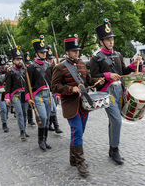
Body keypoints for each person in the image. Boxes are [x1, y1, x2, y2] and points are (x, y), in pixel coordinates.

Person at [90, 18, 141, 165]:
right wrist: (107, 75)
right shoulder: (95, 58)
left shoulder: (118, 55)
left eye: (112, 38)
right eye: (107, 39)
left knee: (114, 121)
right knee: (117, 120)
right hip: (108, 92)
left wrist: (133, 65)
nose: (111, 41)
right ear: (101, 42)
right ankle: (115, 149)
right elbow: (92, 78)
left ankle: (112, 150)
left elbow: (123, 71)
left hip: (120, 90)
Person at [52, 34, 103, 176]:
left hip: (83, 104)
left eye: (78, 50)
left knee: (78, 132)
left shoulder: (81, 63)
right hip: (70, 104)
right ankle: (81, 162)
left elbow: (87, 80)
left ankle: (73, 158)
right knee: (77, 131)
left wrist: (97, 81)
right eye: (74, 51)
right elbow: (54, 87)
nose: (77, 53)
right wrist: (70, 89)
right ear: (67, 52)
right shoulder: (60, 67)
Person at [26, 35, 54, 151]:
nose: (44, 54)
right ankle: (40, 140)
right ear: (36, 54)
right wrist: (28, 97)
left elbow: (53, 82)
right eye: (41, 52)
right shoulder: (31, 67)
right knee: (42, 116)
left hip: (48, 95)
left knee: (47, 118)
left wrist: (56, 94)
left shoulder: (49, 66)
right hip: (38, 96)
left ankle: (45, 140)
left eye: (45, 52)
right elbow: (27, 85)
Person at [5, 48, 29, 139]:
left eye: (20, 59)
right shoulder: (10, 72)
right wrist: (7, 97)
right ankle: (22, 131)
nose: (19, 61)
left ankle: (25, 129)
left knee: (25, 113)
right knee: (19, 113)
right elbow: (8, 86)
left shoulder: (25, 70)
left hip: (24, 94)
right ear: (13, 61)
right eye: (17, 59)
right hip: (16, 95)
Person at [45, 45, 62, 134]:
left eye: (51, 59)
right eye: (48, 59)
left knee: (53, 109)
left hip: (54, 91)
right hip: (46, 91)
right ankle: (55, 126)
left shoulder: (55, 67)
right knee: (52, 109)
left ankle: (51, 125)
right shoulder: (44, 68)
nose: (50, 61)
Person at [24, 52, 35, 126]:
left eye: (29, 63)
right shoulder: (23, 71)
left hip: (32, 89)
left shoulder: (31, 70)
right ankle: (28, 119)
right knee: (27, 106)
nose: (28, 65)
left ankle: (31, 119)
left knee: (31, 106)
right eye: (27, 64)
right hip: (24, 90)